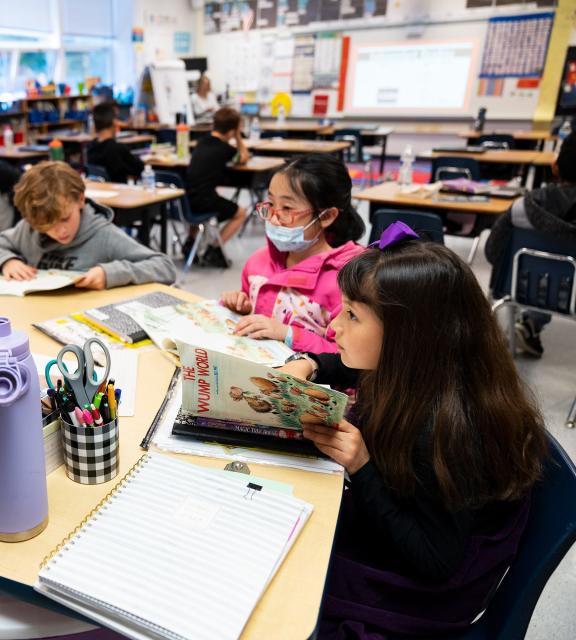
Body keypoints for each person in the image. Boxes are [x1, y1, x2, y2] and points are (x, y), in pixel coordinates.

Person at [278, 226, 546, 638]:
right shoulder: (430, 365)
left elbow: (435, 562)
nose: (333, 327)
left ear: (407, 335)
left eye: (351, 314)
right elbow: (347, 364)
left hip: (423, 590)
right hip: (407, 518)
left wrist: (363, 466)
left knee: (284, 587)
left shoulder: (445, 428)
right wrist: (309, 363)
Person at [220, 154, 365, 353]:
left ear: (327, 216)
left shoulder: (346, 282)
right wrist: (241, 305)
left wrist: (288, 334)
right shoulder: (259, 261)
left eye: (287, 208)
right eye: (271, 204)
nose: (273, 219)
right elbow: (254, 306)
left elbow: (348, 358)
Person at [0, 161, 177, 288]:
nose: (59, 231)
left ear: (80, 200)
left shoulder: (104, 236)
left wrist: (110, 273)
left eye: (64, 219)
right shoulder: (28, 230)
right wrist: (7, 262)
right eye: (47, 226)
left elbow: (164, 267)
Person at [484, 134, 576, 357]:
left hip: (522, 289)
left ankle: (531, 323)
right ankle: (530, 325)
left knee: (542, 275)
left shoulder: (521, 207)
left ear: (555, 166)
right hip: (571, 294)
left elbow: (492, 252)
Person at [185, 107, 250, 268]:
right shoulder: (225, 148)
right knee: (241, 213)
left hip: (186, 200)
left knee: (204, 193)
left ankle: (190, 243)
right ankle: (214, 249)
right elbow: (243, 157)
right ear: (232, 130)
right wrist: (238, 137)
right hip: (204, 201)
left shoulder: (201, 142)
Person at [86, 102, 144, 184]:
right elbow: (140, 170)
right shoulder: (118, 149)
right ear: (114, 123)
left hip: (102, 192)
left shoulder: (90, 147)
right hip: (122, 193)